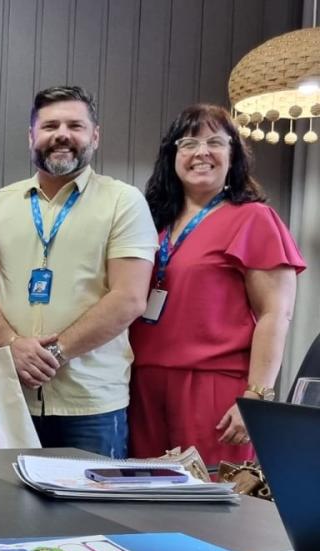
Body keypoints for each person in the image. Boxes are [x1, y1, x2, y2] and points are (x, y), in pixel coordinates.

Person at [0, 85, 158, 458]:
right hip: (10, 395)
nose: (62, 135)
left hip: (90, 405)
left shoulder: (124, 202)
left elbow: (130, 297)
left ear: (95, 136)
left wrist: (53, 352)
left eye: (76, 125)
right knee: (3, 513)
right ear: (31, 136)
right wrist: (10, 345)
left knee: (87, 516)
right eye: (50, 125)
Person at [128, 104, 304, 466]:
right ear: (172, 155)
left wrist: (256, 395)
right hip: (142, 381)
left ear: (234, 155)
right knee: (145, 502)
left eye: (215, 142)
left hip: (213, 385)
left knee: (212, 502)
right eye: (189, 142)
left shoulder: (254, 218)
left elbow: (276, 313)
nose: (201, 152)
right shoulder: (152, 221)